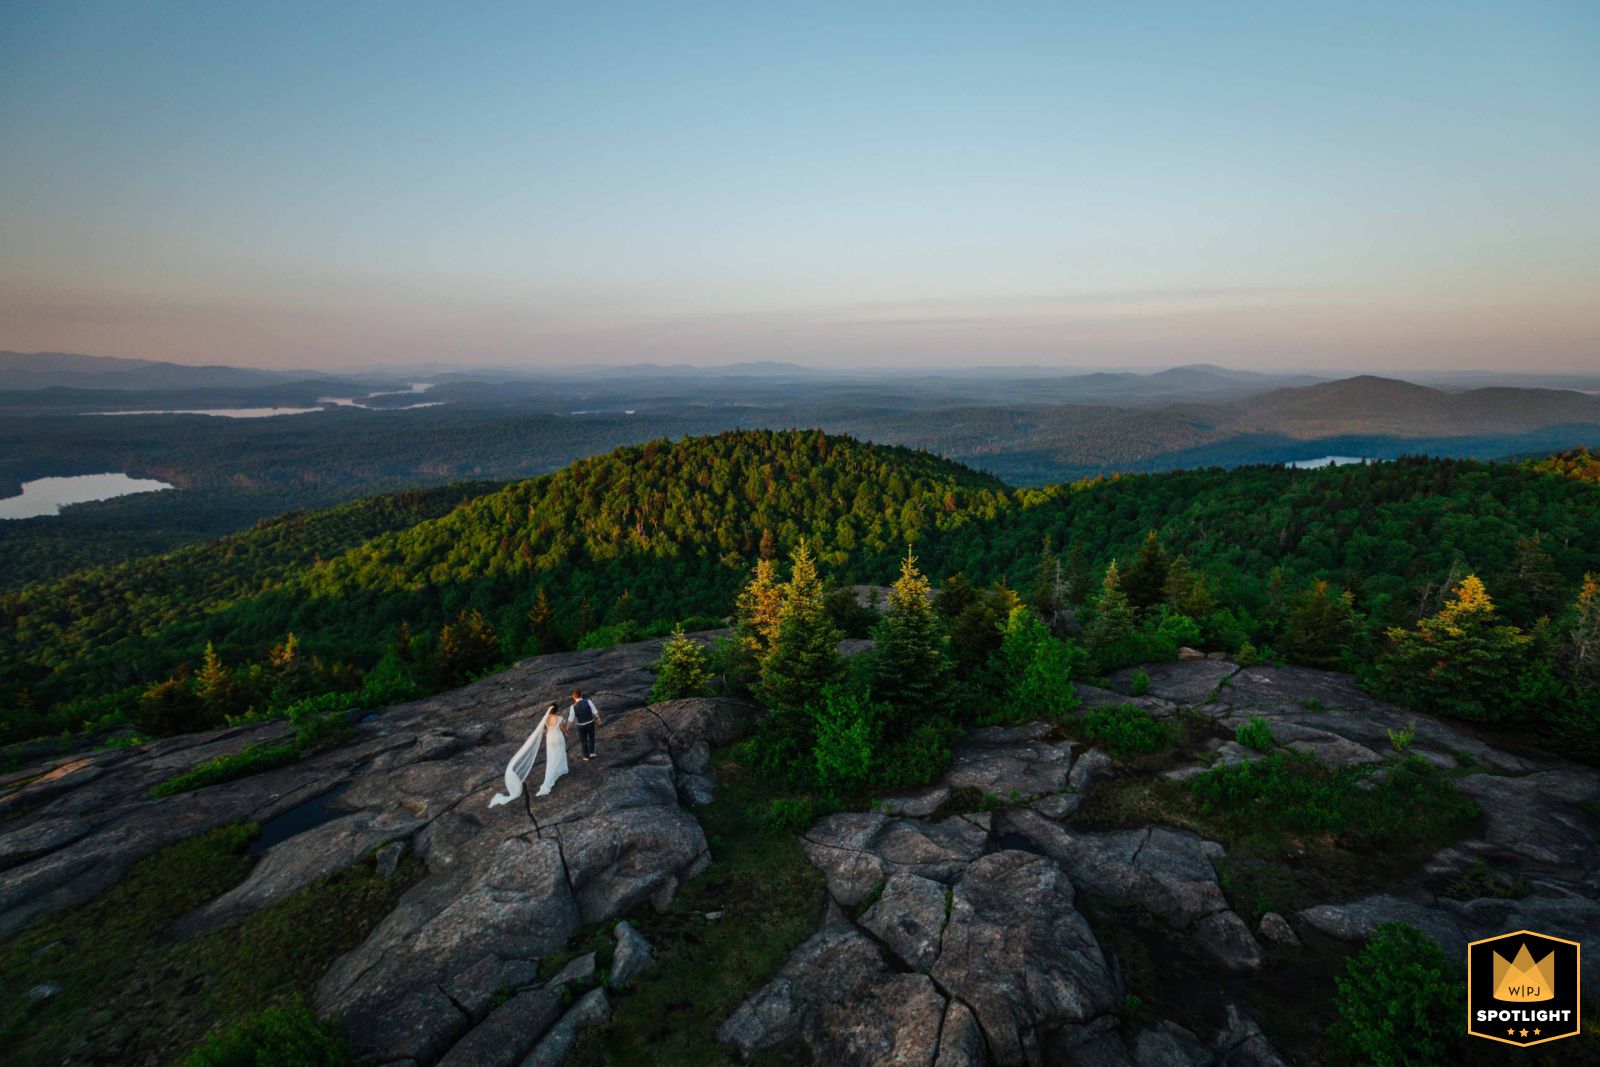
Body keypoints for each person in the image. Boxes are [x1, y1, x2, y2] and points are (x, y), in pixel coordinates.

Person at [488, 703, 570, 807]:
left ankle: (552, 773)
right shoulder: (560, 718)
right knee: (559, 753)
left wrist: (547, 731)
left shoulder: (545, 719)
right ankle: (557, 771)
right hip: (558, 738)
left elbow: (544, 729)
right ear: (557, 710)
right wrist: (567, 732)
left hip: (550, 739)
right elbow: (562, 728)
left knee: (551, 757)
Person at [568, 688, 602, 761]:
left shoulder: (573, 706)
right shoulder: (588, 701)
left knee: (583, 740)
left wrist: (567, 728)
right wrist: (598, 718)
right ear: (581, 695)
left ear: (573, 696)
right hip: (590, 722)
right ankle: (592, 752)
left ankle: (585, 756)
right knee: (591, 736)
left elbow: (571, 718)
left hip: (581, 725)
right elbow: (595, 711)